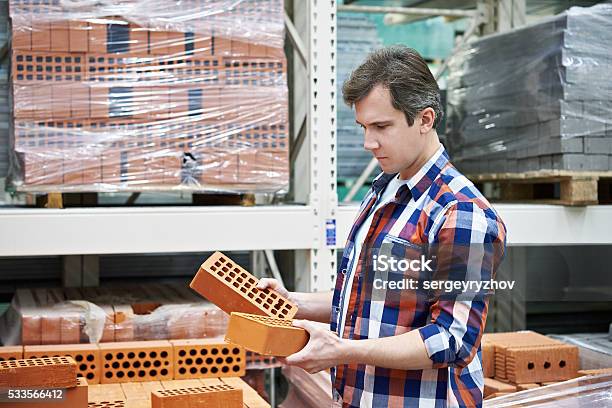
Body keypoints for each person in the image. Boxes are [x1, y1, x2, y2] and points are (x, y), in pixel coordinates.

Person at [258, 46, 507, 407]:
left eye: (381, 127)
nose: (367, 143)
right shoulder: (385, 190)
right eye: (363, 127)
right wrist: (295, 303)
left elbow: (451, 338)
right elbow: (374, 301)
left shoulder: (460, 213)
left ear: (424, 120)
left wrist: (343, 350)